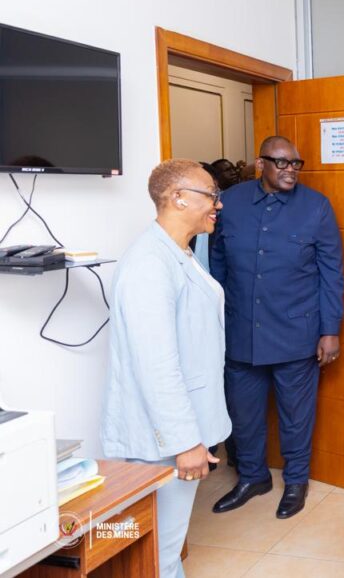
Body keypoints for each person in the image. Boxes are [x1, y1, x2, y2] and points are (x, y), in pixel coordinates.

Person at [100, 159, 231, 577]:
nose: (218, 205)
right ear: (177, 198)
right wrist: (185, 442)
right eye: (211, 195)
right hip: (162, 441)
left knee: (163, 547)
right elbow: (157, 364)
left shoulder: (179, 253)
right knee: (158, 553)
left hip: (177, 432)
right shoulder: (149, 265)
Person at [209, 135, 344, 519]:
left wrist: (330, 330)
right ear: (260, 164)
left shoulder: (316, 207)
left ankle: (296, 481)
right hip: (241, 332)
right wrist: (214, 321)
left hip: (295, 333)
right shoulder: (230, 202)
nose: (291, 170)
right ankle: (253, 478)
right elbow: (217, 265)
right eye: (282, 162)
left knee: (296, 417)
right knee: (244, 415)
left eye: (296, 164)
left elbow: (332, 273)